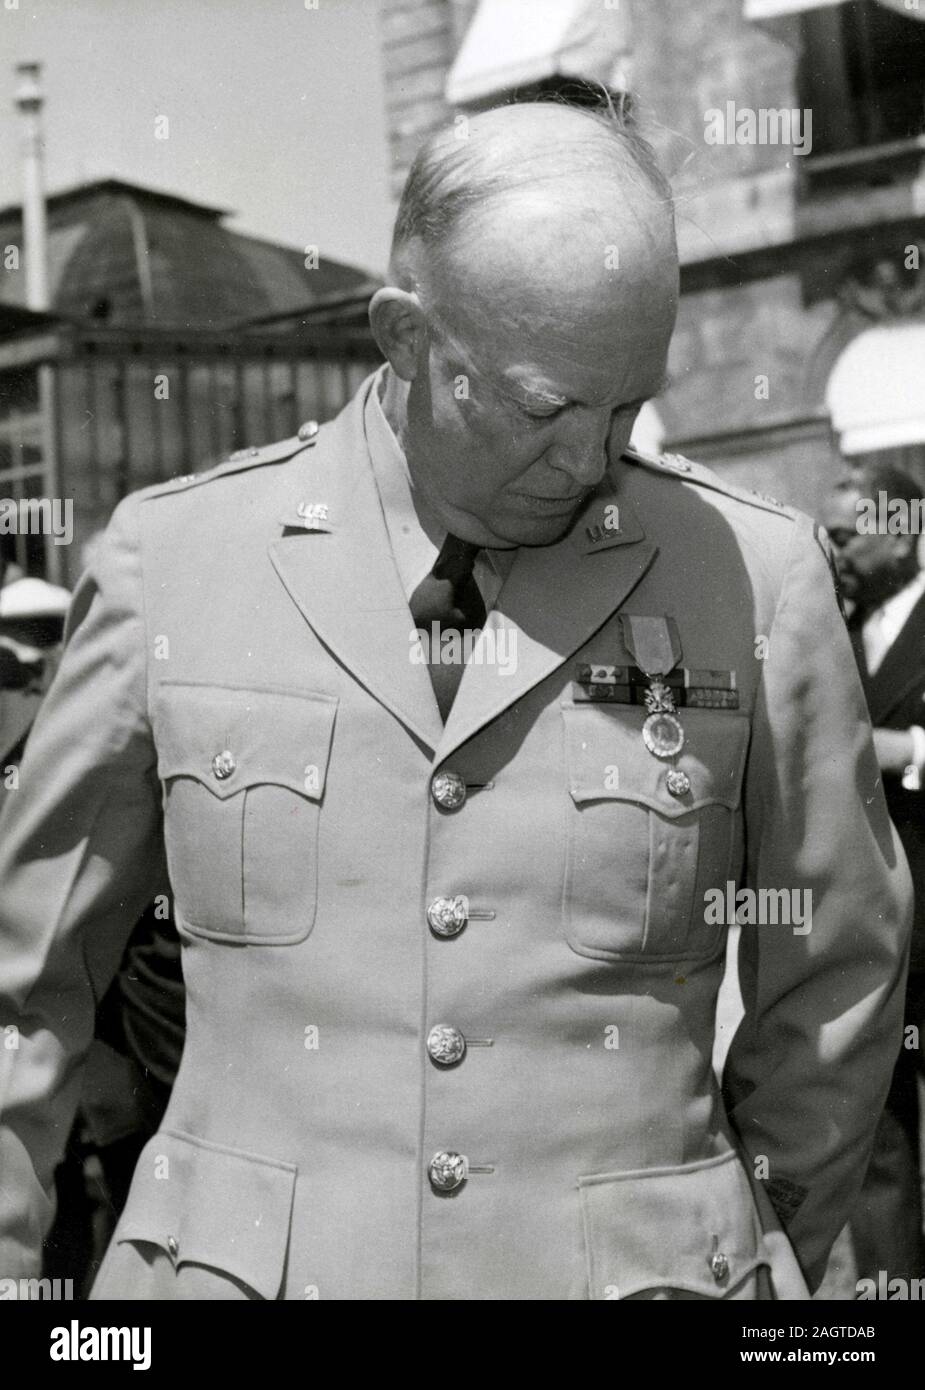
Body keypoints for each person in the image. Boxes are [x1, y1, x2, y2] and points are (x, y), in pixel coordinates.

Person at [0, 101, 912, 1301]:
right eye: (545, 407)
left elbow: (837, 977)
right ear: (408, 338)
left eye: (626, 407)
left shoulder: (753, 578)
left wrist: (753, 1257)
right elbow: (25, 985)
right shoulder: (171, 563)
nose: (594, 461)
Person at [823, 466, 925, 1285]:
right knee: (875, 1139)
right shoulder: (831, 631)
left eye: (850, 533)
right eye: (830, 536)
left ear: (903, 528)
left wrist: (909, 752)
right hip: (865, 932)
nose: (837, 551)